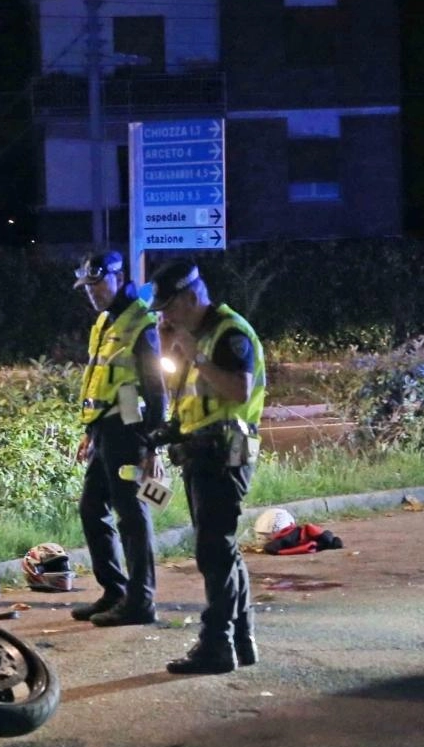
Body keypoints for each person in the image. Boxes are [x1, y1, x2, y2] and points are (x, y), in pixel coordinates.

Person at [148, 259, 266, 675]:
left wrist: (194, 354)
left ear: (189, 297)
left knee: (214, 552)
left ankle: (216, 644)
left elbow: (237, 389)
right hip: (203, 454)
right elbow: (186, 397)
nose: (163, 316)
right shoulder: (195, 336)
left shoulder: (228, 334)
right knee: (223, 550)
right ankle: (241, 639)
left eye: (168, 307)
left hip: (226, 453)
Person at [69, 250, 169, 627]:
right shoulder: (104, 322)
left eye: (97, 284)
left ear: (118, 276)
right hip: (105, 431)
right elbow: (100, 380)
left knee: (131, 515)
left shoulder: (140, 322)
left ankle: (141, 601)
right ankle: (115, 590)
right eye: (87, 287)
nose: (92, 292)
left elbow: (156, 389)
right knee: (91, 509)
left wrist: (153, 445)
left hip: (130, 433)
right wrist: (89, 432)